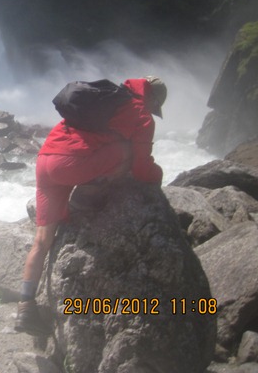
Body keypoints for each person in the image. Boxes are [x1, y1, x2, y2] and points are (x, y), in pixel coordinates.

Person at [14, 76, 167, 334]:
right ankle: (87, 198)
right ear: (153, 100)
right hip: (72, 165)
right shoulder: (141, 115)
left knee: (41, 241)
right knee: (126, 152)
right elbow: (142, 168)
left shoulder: (103, 98)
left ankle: (25, 308)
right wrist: (158, 177)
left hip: (46, 161)